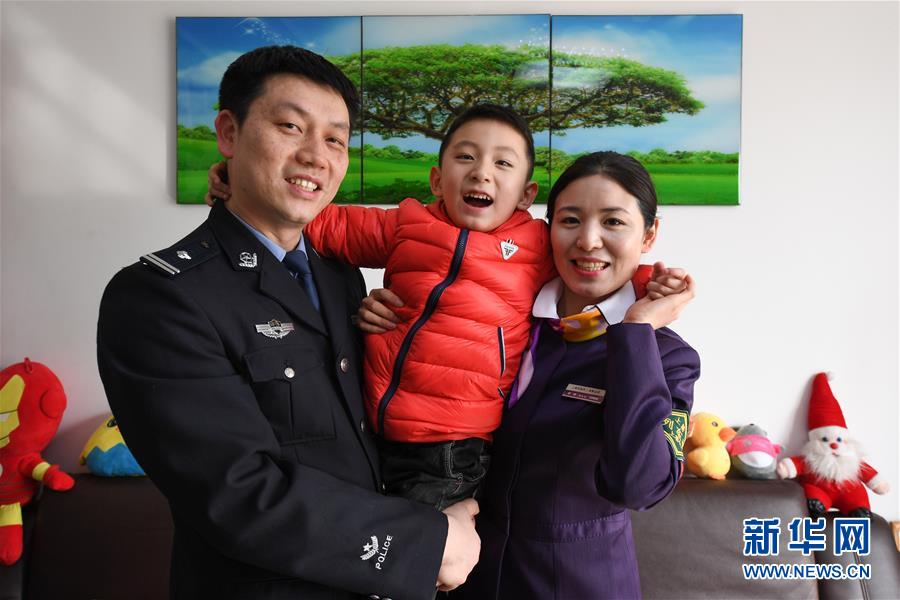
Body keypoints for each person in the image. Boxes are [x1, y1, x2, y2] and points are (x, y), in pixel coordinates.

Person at [96, 45, 479, 600]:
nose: (316, 156)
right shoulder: (160, 297)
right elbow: (237, 493)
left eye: (335, 140)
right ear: (229, 134)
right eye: (290, 127)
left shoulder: (337, 275)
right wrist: (426, 543)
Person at [206, 105, 676, 513]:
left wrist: (651, 285)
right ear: (437, 177)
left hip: (452, 445)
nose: (481, 173)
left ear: (527, 195)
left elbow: (594, 268)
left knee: (416, 558)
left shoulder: (534, 244)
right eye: (465, 157)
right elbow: (326, 224)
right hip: (370, 424)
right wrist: (246, 184)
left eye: (502, 163)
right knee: (354, 541)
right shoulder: (407, 224)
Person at [360, 151, 699, 599]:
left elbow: (639, 485)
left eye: (614, 222)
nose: (589, 241)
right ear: (547, 229)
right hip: (468, 577)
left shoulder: (667, 358)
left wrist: (635, 332)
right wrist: (384, 317)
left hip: (578, 585)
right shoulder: (506, 322)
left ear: (649, 233)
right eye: (571, 220)